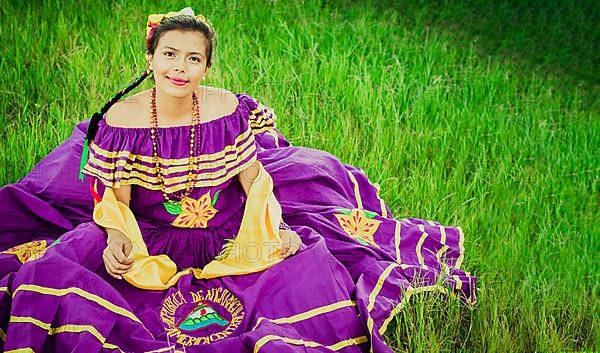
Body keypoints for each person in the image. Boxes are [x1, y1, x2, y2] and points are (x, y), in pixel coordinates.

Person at [0, 8, 477, 353]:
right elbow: (116, 199)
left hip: (230, 228)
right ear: (150, 57)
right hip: (152, 237)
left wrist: (267, 235)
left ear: (206, 67)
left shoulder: (225, 111)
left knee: (302, 274)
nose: (178, 68)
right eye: (169, 55)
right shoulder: (123, 121)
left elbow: (254, 181)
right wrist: (118, 239)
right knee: (60, 273)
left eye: (192, 59)